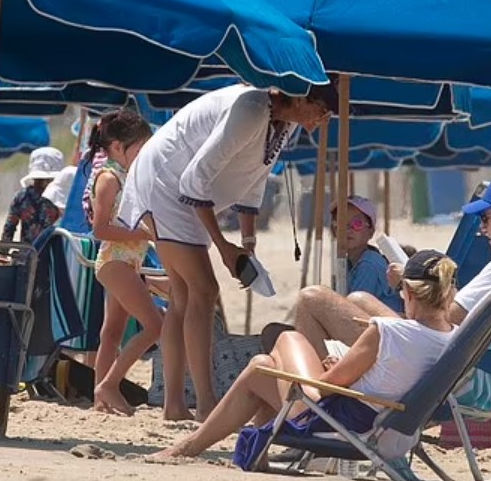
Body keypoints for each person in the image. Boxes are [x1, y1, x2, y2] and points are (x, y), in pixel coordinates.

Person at [119, 83, 335, 421]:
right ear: (302, 98)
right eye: (322, 110)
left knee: (181, 298)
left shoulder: (284, 122)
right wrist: (222, 247)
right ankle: (207, 403)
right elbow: (194, 179)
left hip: (176, 188)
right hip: (166, 184)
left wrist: (247, 243)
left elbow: (255, 178)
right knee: (204, 291)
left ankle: (174, 405)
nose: (324, 120)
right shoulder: (251, 108)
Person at [154, 249, 457, 461]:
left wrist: (338, 367)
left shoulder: (387, 332)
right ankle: (223, 449)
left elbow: (325, 387)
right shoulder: (451, 337)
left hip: (342, 426)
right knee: (264, 366)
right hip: (391, 431)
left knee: (284, 343)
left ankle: (190, 446)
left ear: (410, 292)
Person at [290, 171, 491, 357]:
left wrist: (411, 283)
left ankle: (315, 399)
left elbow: (446, 318)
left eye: (485, 218)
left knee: (312, 299)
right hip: (436, 350)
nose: (482, 229)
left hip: (424, 358)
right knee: (358, 299)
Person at [85, 110, 163, 416]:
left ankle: (100, 401)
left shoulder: (127, 176)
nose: (144, 154)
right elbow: (99, 228)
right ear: (117, 147)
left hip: (126, 263)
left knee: (112, 334)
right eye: (140, 147)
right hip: (115, 260)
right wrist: (142, 233)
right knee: (155, 325)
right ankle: (110, 385)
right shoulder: (109, 178)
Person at [273, 196, 402, 358]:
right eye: (340, 224)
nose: (348, 229)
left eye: (356, 224)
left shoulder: (369, 264)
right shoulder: (349, 263)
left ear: (370, 231)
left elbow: (351, 313)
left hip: (384, 339)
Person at [1, 147, 65, 250]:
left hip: (44, 257)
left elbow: (9, 227)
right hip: (36, 257)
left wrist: (3, 253)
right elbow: (10, 227)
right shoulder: (22, 197)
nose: (43, 183)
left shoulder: (22, 196)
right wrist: (3, 254)